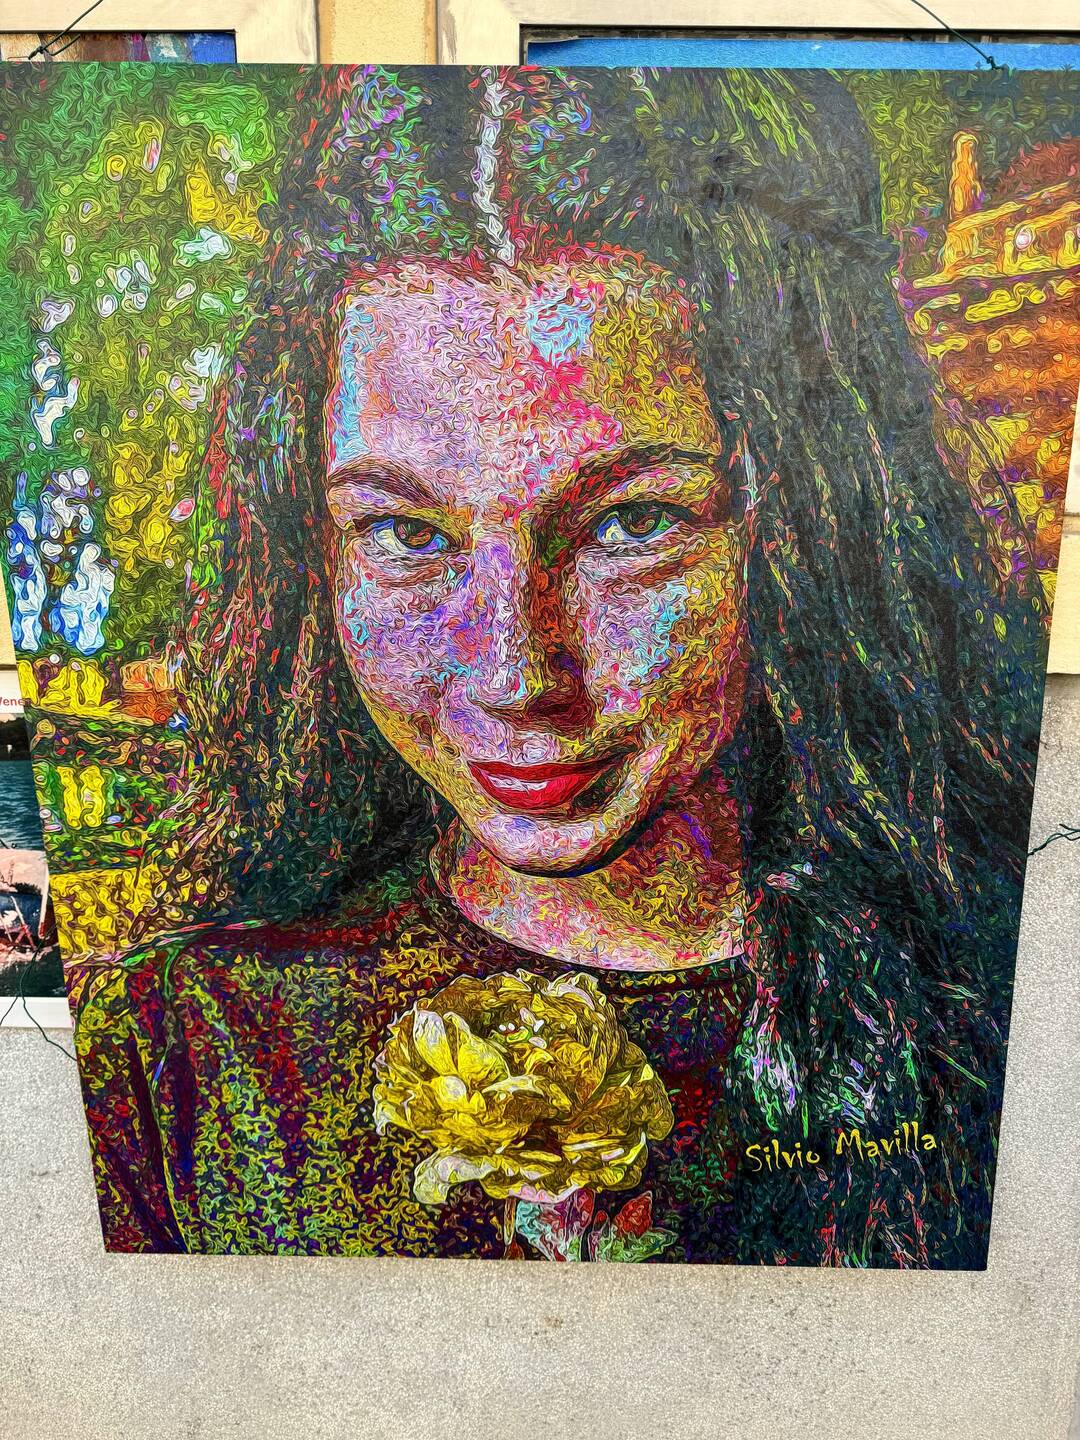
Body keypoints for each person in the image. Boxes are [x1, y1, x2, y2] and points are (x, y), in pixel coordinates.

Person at [71, 65, 1045, 1265]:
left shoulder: (1002, 999)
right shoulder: (180, 1051)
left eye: (629, 524)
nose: (518, 673)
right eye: (407, 535)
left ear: (812, 524)